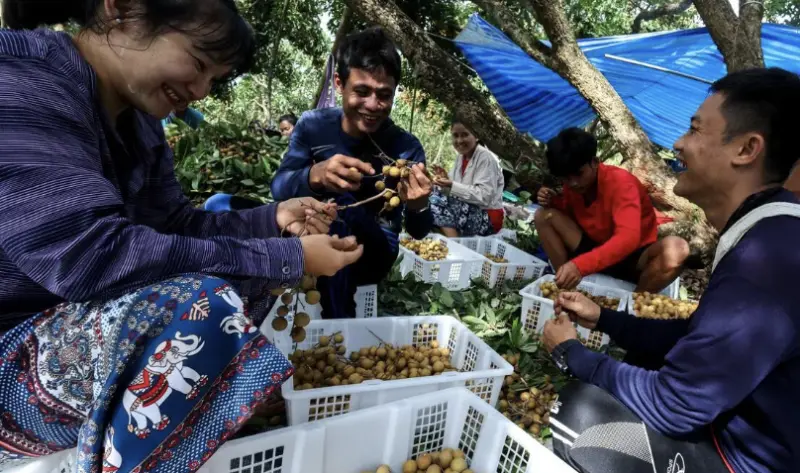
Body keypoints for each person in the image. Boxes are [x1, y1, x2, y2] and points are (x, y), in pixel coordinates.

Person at [0, 1, 364, 472]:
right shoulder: (25, 84)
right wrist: (285, 258)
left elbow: (179, 227)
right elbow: (92, 253)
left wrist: (272, 219)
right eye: (196, 63)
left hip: (65, 332)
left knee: (226, 289)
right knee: (202, 305)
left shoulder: (140, 125)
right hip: (12, 352)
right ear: (121, 10)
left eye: (213, 79)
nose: (198, 91)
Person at [543, 68, 800, 473]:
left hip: (743, 461)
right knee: (643, 354)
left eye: (695, 130)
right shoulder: (769, 234)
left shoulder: (764, 262)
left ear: (747, 149)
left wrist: (572, 354)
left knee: (578, 414)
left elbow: (676, 407)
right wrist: (605, 318)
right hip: (732, 422)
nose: (678, 143)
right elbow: (694, 335)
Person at [271, 27, 433, 319]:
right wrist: (315, 176)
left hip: (373, 251)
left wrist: (419, 204)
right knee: (222, 205)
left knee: (341, 209)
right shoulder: (312, 125)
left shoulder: (405, 148)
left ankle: (338, 324)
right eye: (362, 91)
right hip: (309, 236)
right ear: (338, 84)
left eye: (384, 95)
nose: (373, 105)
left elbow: (419, 231)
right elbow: (279, 188)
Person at [534, 127, 689, 292]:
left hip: (632, 258)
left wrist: (580, 266)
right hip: (593, 247)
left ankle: (632, 306)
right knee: (543, 215)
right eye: (566, 178)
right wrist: (553, 202)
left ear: (594, 162)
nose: (573, 183)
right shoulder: (573, 188)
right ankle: (564, 285)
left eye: (579, 174)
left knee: (676, 249)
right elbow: (573, 213)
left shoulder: (621, 183)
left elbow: (627, 239)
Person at [430, 121, 505, 237]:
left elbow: (484, 196)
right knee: (429, 193)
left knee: (434, 200)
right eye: (455, 135)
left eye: (465, 135)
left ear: (476, 136)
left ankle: (455, 246)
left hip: (489, 217)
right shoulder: (461, 158)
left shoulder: (486, 158)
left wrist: (451, 185)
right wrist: (445, 182)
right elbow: (455, 194)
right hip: (469, 211)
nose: (459, 140)